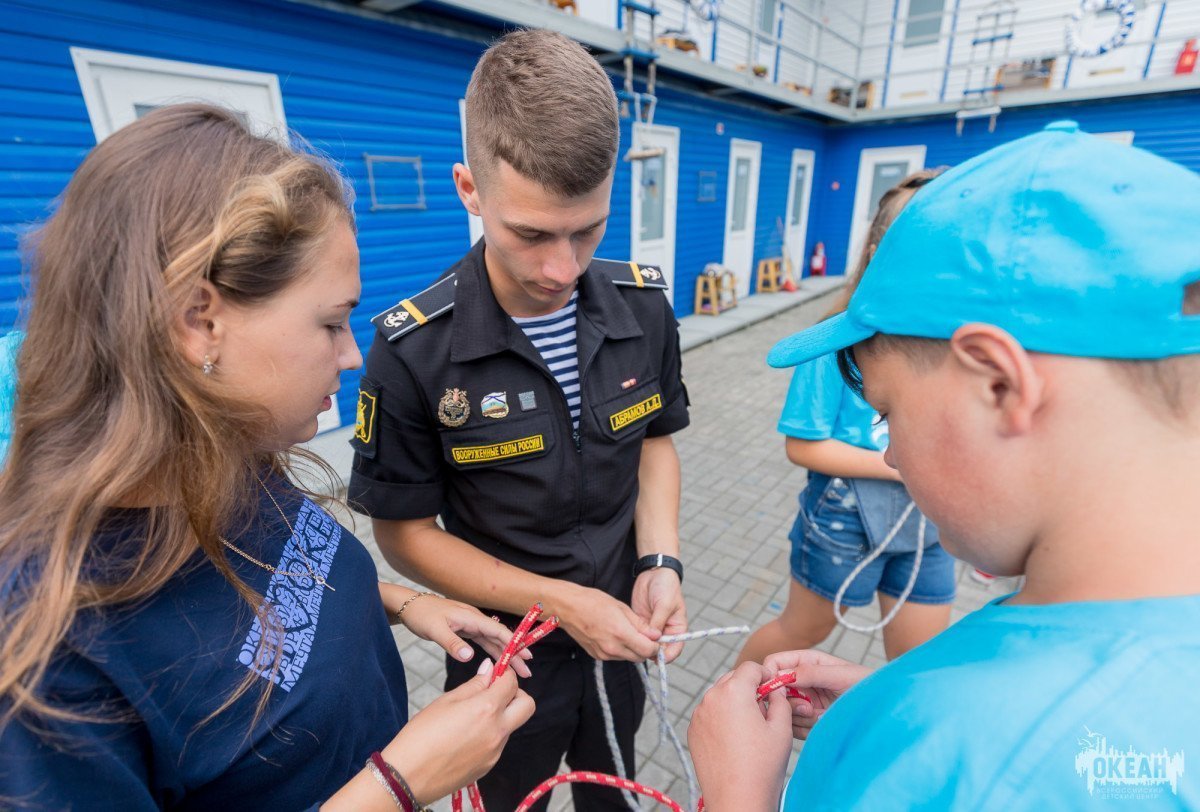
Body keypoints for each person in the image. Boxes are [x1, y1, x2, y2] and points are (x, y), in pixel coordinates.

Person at [0, 103, 535, 811]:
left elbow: (261, 607)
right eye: (330, 322)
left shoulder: (226, 455)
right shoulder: (47, 657)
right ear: (201, 321)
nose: (351, 356)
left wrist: (407, 605)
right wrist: (398, 785)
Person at [689, 120, 1200, 809]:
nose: (890, 449)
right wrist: (894, 703)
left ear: (998, 385)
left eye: (888, 410)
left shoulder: (973, 764)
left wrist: (737, 797)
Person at [348, 29, 690, 811]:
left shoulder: (643, 306)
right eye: (531, 233)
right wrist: (559, 601)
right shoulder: (414, 350)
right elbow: (403, 534)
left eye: (589, 229)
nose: (562, 270)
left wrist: (661, 563)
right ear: (470, 189)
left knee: (616, 794)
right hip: (506, 660)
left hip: (620, 641)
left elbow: (656, 444)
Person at [737, 168, 955, 666]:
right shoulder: (833, 342)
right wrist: (909, 463)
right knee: (804, 629)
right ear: (876, 259)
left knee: (917, 659)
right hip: (845, 513)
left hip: (928, 517)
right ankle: (735, 697)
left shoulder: (965, 348)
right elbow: (803, 444)